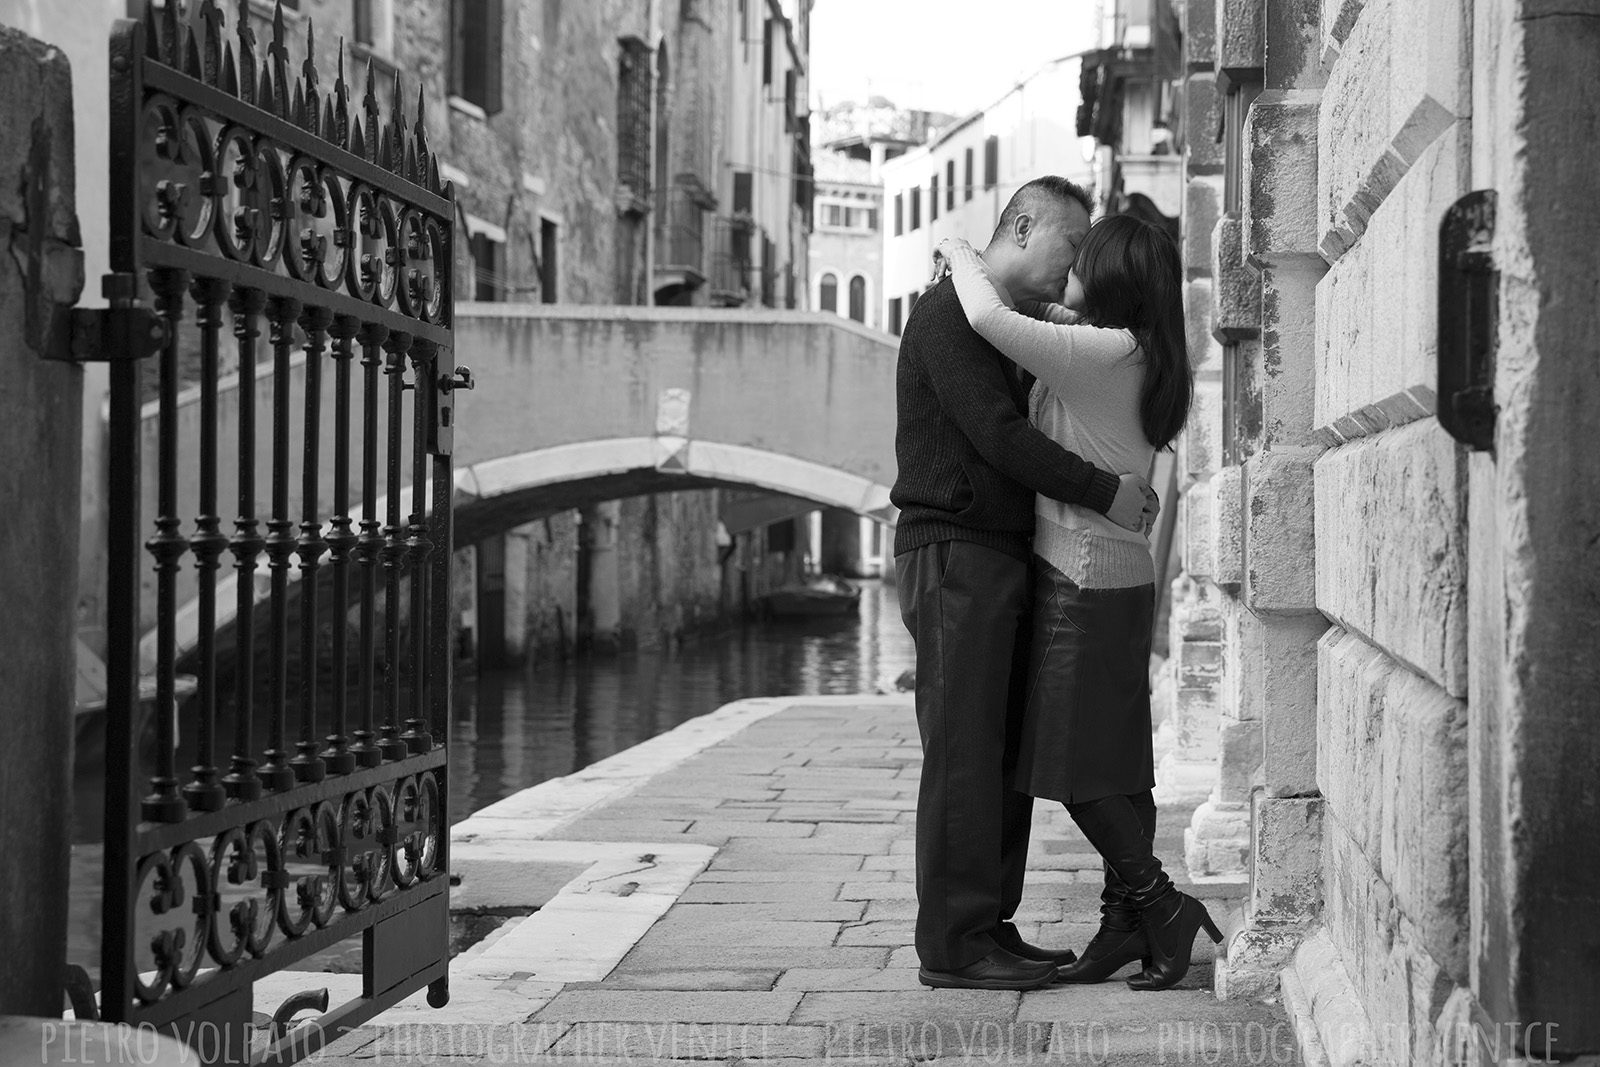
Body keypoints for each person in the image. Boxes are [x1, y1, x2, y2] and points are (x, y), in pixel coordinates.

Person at [934, 208, 1218, 991]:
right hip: (1126, 574)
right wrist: (1056, 308)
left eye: (1084, 259)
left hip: (1079, 574)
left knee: (1071, 765)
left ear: (1113, 276)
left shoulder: (1093, 355)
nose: (1071, 271)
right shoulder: (1145, 351)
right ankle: (1124, 923)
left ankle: (1160, 904)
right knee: (1123, 763)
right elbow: (1055, 320)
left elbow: (987, 314)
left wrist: (959, 247)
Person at [891, 176, 1158, 991]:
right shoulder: (947, 317)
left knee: (998, 753)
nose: (1076, 263)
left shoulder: (1013, 329)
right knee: (966, 750)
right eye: (1071, 245)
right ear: (1024, 225)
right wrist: (1104, 489)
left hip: (997, 557)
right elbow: (1001, 438)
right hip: (954, 552)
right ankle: (955, 943)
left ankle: (989, 924)